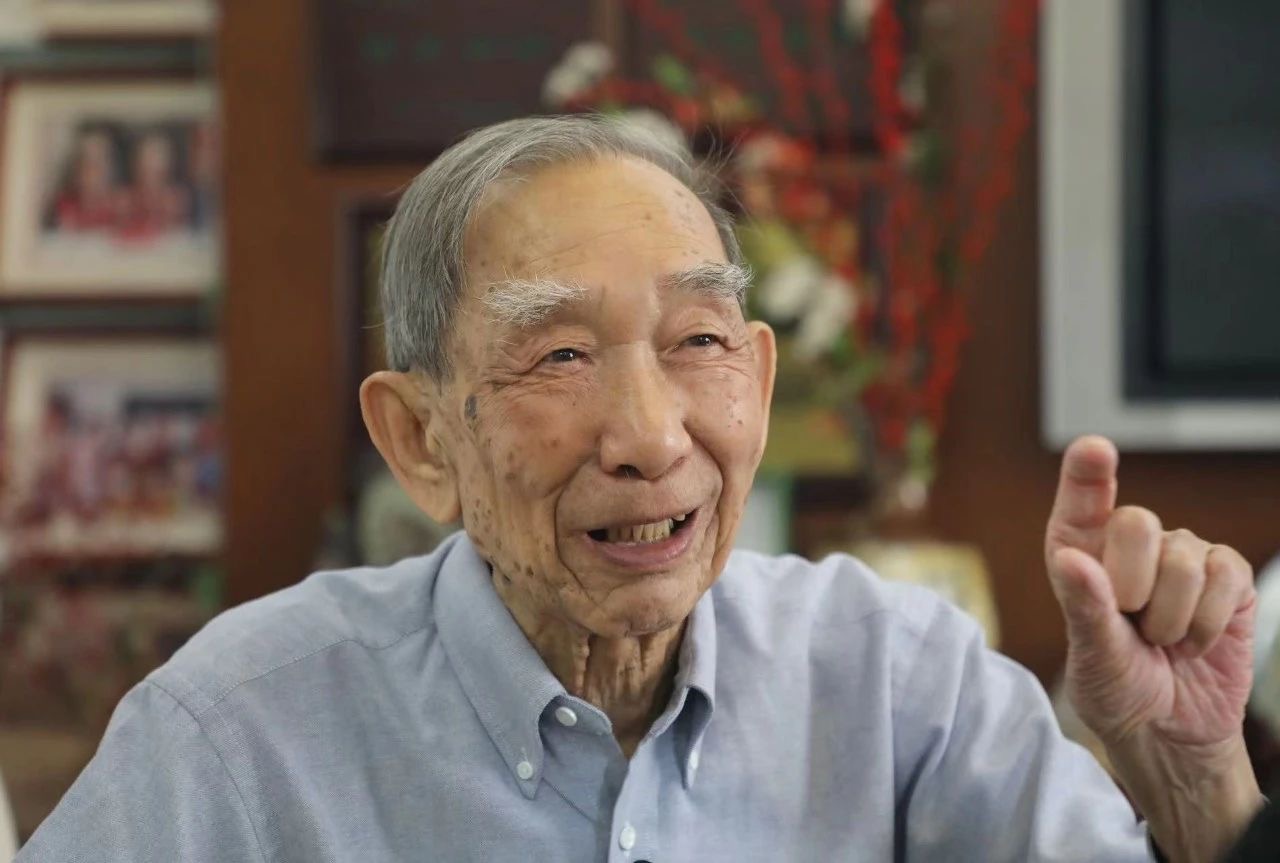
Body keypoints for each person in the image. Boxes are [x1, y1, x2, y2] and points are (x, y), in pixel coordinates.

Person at [15, 115, 1265, 862]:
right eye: (559, 354)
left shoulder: (898, 684)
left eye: (697, 341)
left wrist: (1194, 784)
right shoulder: (237, 731)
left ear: (756, 384)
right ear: (420, 440)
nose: (650, 435)